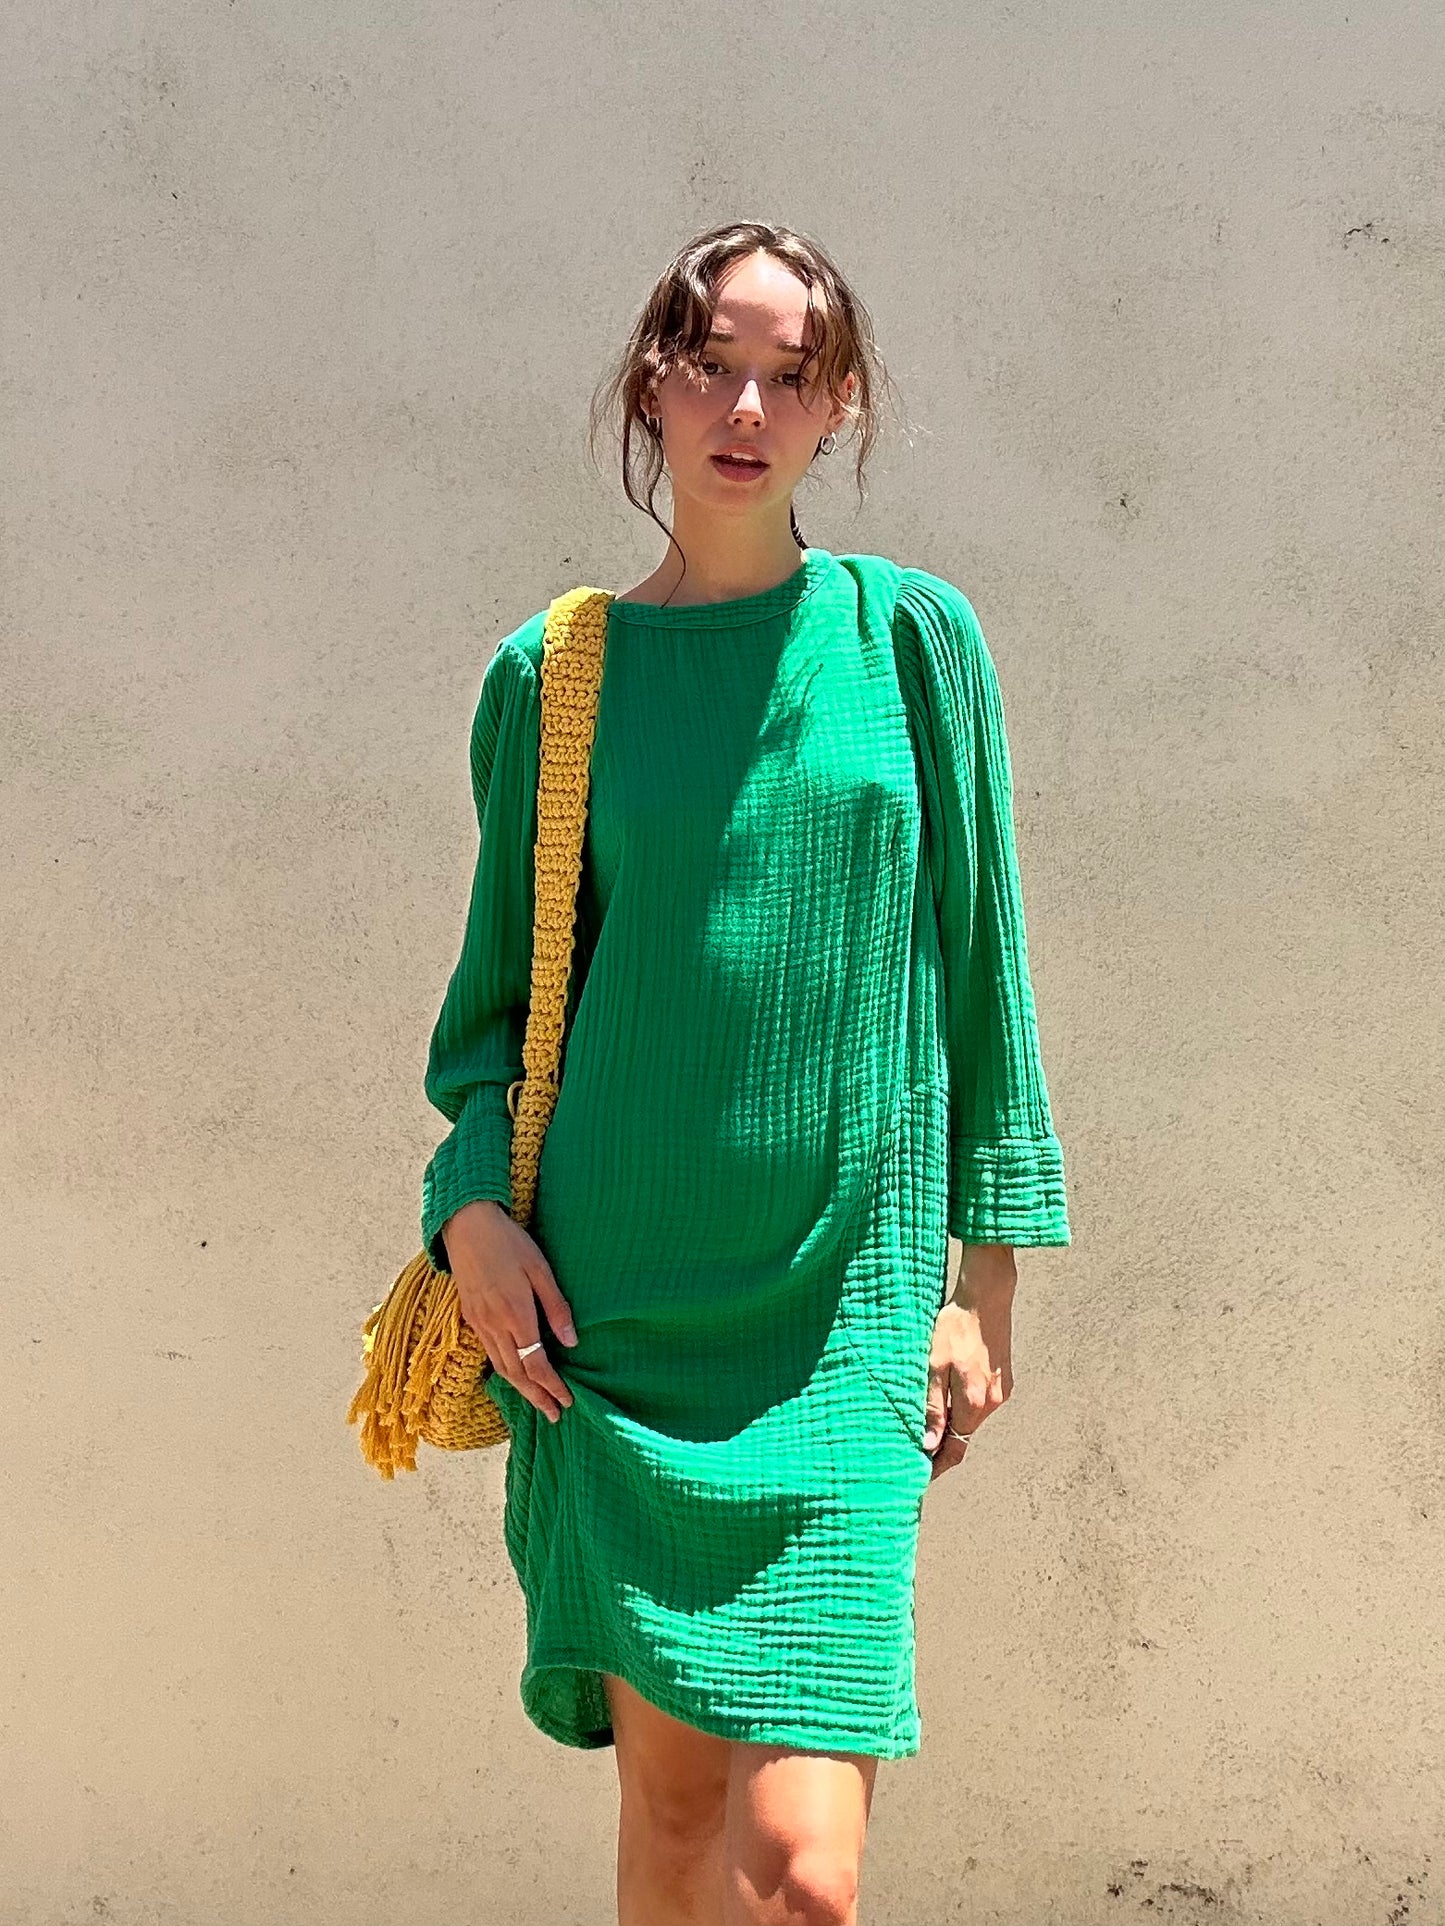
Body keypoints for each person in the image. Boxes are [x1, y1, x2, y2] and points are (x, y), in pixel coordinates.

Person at [420, 220, 1071, 1926]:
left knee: (803, 1875)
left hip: (842, 1305)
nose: (746, 401)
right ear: (652, 378)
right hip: (615, 1316)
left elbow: (983, 965)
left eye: (791, 372)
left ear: (838, 406)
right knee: (671, 1821)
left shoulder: (911, 642)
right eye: (713, 358)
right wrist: (469, 1214)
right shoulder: (553, 679)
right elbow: (493, 1012)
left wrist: (983, 1270)